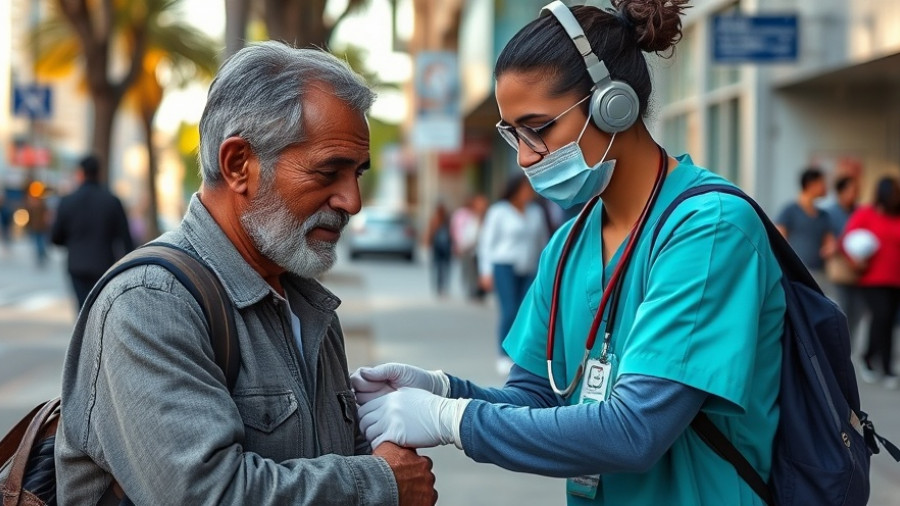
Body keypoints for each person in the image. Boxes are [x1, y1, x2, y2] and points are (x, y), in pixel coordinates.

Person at [351, 1, 788, 505]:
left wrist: (451, 421)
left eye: (538, 127)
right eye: (512, 133)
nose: (524, 155)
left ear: (613, 105)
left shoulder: (709, 229)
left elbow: (633, 431)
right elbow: (534, 399)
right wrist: (443, 391)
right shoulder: (567, 244)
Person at [55, 42, 436, 506]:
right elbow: (206, 494)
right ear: (239, 164)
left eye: (357, 173)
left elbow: (330, 453)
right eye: (329, 172)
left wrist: (387, 440)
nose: (351, 202)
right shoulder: (149, 303)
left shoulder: (307, 303)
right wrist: (381, 483)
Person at [477, 175, 549, 375]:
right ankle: (503, 353)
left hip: (529, 268)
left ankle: (520, 354)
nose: (530, 193)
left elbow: (543, 242)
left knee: (525, 312)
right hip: (504, 266)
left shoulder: (536, 212)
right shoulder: (499, 211)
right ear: (516, 189)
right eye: (526, 189)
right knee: (508, 310)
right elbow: (486, 243)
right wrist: (485, 271)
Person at [51, 155, 135, 309]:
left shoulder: (67, 201)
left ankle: (84, 333)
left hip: (76, 265)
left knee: (82, 309)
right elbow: (126, 239)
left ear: (81, 173)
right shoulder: (112, 201)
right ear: (99, 173)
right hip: (104, 264)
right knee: (101, 309)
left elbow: (55, 238)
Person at [843, 176, 900, 389]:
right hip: (872, 278)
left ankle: (886, 366)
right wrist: (855, 260)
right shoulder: (866, 214)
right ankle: (869, 357)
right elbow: (846, 239)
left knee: (889, 322)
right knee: (882, 316)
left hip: (896, 279)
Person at [775, 167, 837, 291]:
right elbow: (779, 239)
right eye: (822, 183)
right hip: (796, 272)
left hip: (819, 273)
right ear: (811, 185)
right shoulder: (790, 210)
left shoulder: (823, 215)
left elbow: (829, 240)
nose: (826, 187)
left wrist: (831, 248)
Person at [824, 175, 865, 340]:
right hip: (840, 269)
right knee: (840, 310)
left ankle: (852, 350)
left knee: (858, 314)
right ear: (841, 192)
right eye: (852, 190)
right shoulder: (829, 213)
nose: (856, 194)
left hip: (860, 271)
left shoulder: (861, 212)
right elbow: (830, 240)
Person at [450, 194, 489, 301]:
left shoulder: (489, 218)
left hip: (483, 251)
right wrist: (461, 245)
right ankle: (472, 290)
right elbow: (466, 233)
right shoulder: (470, 218)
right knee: (470, 271)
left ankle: (480, 291)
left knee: (479, 271)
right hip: (470, 249)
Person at [425, 202, 453, 296]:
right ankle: (440, 287)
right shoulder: (435, 220)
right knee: (439, 268)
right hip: (438, 247)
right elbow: (430, 232)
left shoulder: (446, 220)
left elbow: (451, 233)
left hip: (444, 247)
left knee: (443, 268)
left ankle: (442, 287)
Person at [24, 184, 50, 268]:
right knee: (38, 241)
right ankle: (41, 254)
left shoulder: (41, 204)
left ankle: (41, 254)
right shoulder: (32, 205)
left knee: (40, 241)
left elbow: (46, 215)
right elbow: (29, 216)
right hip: (36, 226)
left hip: (40, 226)